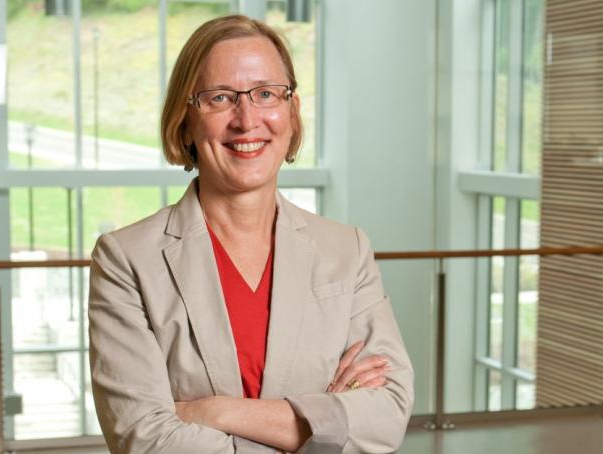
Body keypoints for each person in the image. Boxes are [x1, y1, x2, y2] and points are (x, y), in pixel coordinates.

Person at [88, 15, 414, 453]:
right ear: (185, 121)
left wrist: (215, 412)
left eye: (266, 94)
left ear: (292, 113)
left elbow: (387, 414)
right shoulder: (126, 260)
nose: (247, 120)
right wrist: (324, 424)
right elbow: (147, 441)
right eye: (220, 98)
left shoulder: (346, 251)